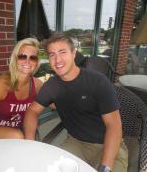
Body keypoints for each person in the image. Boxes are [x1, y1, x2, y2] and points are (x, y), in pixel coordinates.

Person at [23, 34, 128, 172]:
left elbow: (114, 125)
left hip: (108, 146)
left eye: (62, 52)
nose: (57, 59)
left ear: (74, 53)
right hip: (76, 143)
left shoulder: (98, 81)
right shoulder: (52, 85)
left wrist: (105, 167)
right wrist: (30, 144)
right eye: (52, 55)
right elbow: (32, 111)